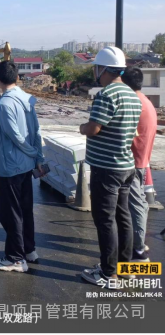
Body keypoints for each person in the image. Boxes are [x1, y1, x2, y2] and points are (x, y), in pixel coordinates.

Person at [79, 47, 141, 287]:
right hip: (126, 166)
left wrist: (83, 128)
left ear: (103, 69)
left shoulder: (106, 95)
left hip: (107, 168)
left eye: (96, 67)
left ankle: (108, 273)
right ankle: (125, 268)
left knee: (105, 219)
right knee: (123, 217)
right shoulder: (132, 95)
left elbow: (94, 129)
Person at [0, 61, 45, 273]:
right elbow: (36, 131)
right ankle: (29, 250)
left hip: (11, 165)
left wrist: (32, 152)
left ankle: (15, 258)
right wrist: (38, 156)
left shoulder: (4, 104)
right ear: (17, 77)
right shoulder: (27, 99)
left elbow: (15, 136)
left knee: (10, 212)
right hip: (25, 166)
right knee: (25, 210)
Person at [122, 66, 157, 263]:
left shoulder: (134, 103)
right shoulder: (146, 101)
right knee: (140, 203)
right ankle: (138, 243)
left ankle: (138, 252)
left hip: (132, 162)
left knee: (135, 204)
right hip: (142, 160)